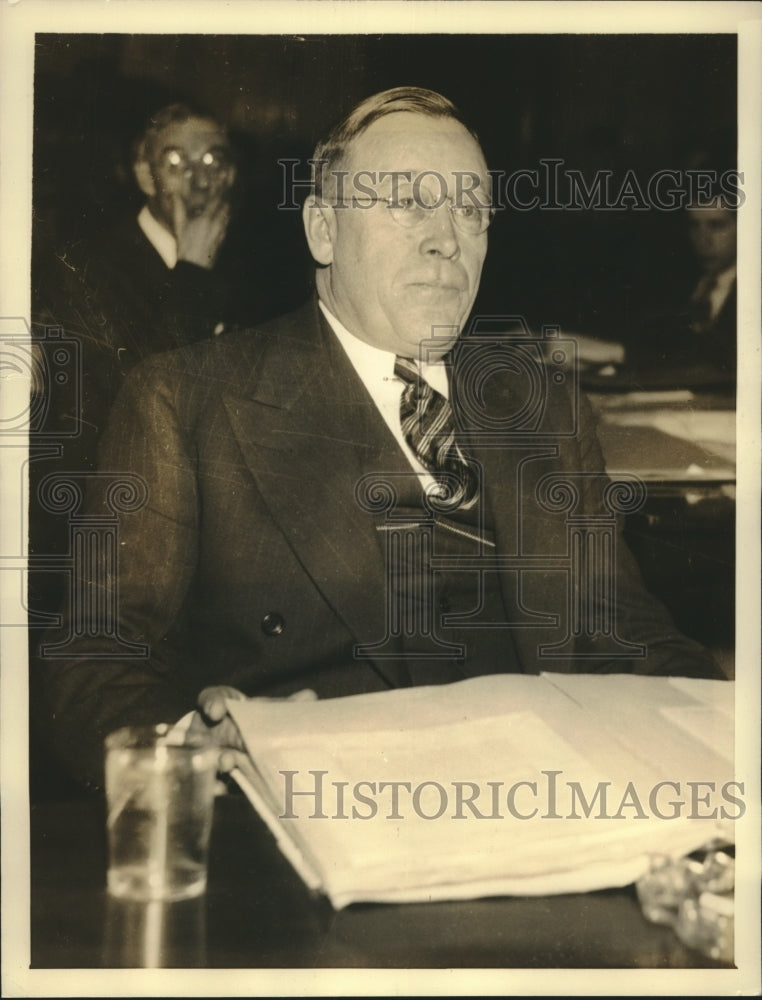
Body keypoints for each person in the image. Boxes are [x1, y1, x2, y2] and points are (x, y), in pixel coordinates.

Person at [35, 87, 723, 792]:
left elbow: (632, 638)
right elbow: (96, 659)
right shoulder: (186, 401)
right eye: (408, 202)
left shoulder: (543, 407)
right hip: (315, 810)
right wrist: (193, 749)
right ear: (323, 231)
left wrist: (720, 749)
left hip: (543, 806)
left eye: (471, 211)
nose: (447, 239)